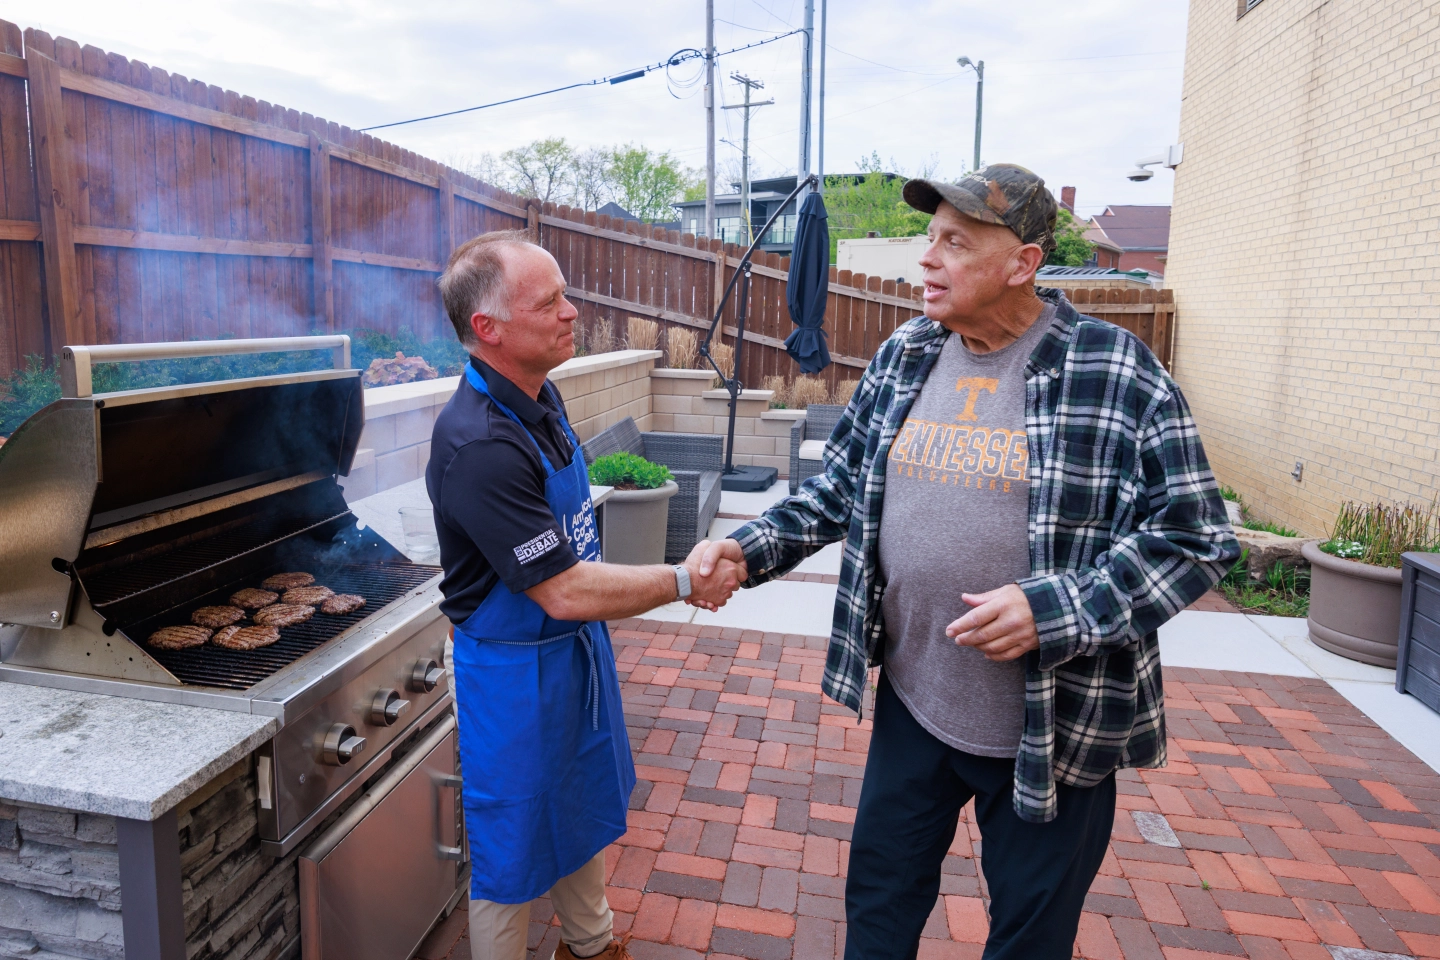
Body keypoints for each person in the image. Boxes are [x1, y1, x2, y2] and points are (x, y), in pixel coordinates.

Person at [698, 164, 1239, 959]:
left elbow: (1197, 535)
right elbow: (838, 490)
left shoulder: (1117, 370)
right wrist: (746, 548)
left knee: (1028, 936)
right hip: (916, 702)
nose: (929, 257)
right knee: (878, 911)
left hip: (1054, 725)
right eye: (929, 238)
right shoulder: (907, 354)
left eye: (956, 241)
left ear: (1022, 263)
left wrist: (1059, 608)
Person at [427, 230, 745, 960]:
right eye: (551, 301)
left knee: (576, 806)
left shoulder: (541, 394)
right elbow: (564, 589)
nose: (573, 312)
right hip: (511, 675)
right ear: (489, 328)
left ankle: (592, 944)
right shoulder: (478, 442)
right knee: (509, 852)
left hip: (570, 659)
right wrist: (684, 580)